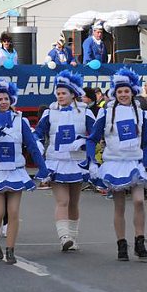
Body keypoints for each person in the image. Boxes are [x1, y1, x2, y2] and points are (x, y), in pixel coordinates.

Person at [84, 69, 147, 262]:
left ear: (133, 91)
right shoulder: (106, 113)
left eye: (126, 91)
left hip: (135, 162)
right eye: (119, 92)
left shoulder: (142, 114)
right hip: (115, 164)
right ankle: (121, 244)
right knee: (119, 206)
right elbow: (92, 139)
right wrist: (92, 160)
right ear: (114, 93)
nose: (123, 95)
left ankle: (139, 241)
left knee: (139, 201)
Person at [0, 79, 49, 264]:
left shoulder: (20, 120)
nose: (3, 102)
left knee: (14, 212)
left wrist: (43, 168)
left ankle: (10, 250)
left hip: (16, 170)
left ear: (11, 100)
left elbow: (31, 145)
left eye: (6, 98)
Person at [34, 71, 94, 251]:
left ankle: (73, 238)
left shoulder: (86, 113)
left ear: (73, 94)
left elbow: (94, 136)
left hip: (77, 162)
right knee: (63, 201)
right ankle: (64, 236)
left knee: (74, 202)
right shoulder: (49, 113)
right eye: (58, 93)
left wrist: (83, 142)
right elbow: (37, 134)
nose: (60, 96)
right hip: (56, 162)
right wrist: (37, 147)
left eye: (63, 93)